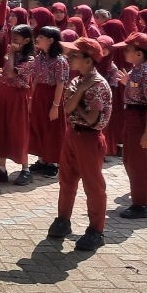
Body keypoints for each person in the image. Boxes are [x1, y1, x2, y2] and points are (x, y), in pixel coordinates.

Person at [47, 37, 113, 252]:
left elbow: (92, 119)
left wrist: (79, 96)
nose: (69, 58)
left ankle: (96, 230)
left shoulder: (98, 85)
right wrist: (79, 95)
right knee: (66, 179)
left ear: (88, 60)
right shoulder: (79, 80)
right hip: (73, 133)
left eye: (75, 55)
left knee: (93, 186)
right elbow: (67, 108)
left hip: (89, 137)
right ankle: (63, 220)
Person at [114, 32, 147, 219]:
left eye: (128, 49)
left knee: (137, 164)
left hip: (141, 118)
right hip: (133, 116)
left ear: (139, 54)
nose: (125, 52)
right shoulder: (136, 71)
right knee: (129, 160)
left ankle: (140, 205)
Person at [0, 24, 35, 185]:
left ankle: (25, 169)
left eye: (16, 38)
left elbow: (11, 73)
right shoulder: (10, 55)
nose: (13, 41)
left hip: (18, 97)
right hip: (4, 94)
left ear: (26, 40)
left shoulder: (29, 60)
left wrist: (10, 54)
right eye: (12, 38)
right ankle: (1, 168)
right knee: (1, 129)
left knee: (19, 132)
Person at [29, 26, 68, 178]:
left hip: (52, 95)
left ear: (51, 40)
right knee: (39, 126)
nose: (37, 39)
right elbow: (35, 80)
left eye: (41, 37)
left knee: (53, 129)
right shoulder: (39, 58)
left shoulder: (59, 61)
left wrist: (55, 106)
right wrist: (31, 99)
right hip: (39, 94)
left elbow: (60, 84)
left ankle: (54, 162)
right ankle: (42, 159)